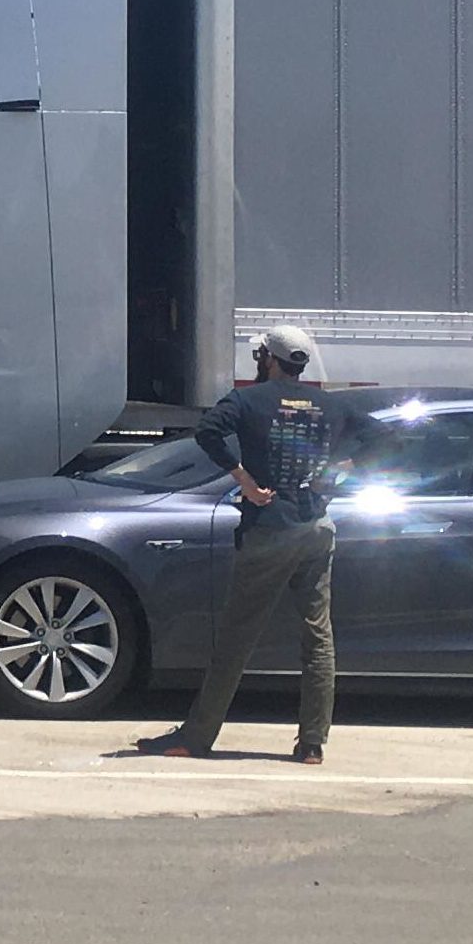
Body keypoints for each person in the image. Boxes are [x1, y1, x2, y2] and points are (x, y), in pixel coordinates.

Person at [133, 324, 339, 764]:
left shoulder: (248, 400)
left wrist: (243, 479)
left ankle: (196, 737)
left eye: (260, 355)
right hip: (317, 526)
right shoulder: (328, 404)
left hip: (269, 528)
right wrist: (336, 473)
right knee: (318, 637)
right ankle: (312, 743)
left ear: (268, 359)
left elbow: (208, 432)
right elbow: (380, 435)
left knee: (236, 639)